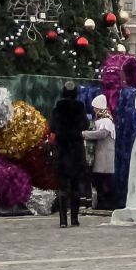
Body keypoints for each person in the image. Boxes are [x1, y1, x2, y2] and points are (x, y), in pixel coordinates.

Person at [50, 82, 91, 227]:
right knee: (75, 187)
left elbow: (52, 127)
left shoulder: (58, 108)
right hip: (76, 150)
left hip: (62, 149)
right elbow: (85, 125)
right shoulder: (80, 107)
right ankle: (74, 219)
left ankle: (62, 220)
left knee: (62, 187)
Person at [85, 94, 117, 209]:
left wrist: (84, 134)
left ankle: (107, 202)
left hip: (104, 155)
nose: (94, 110)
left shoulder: (105, 120)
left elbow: (102, 133)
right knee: (102, 179)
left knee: (103, 179)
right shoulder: (106, 119)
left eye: (95, 108)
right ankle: (104, 202)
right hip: (102, 154)